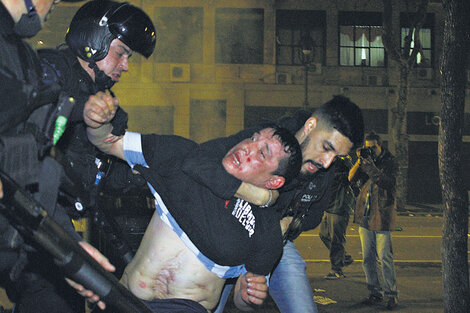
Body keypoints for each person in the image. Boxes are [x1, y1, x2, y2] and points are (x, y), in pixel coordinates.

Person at [1, 1, 156, 312]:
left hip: (48, 223)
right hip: (24, 218)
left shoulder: (110, 105)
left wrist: (149, 176)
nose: (125, 65)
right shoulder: (46, 68)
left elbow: (102, 173)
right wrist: (82, 109)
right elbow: (36, 111)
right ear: (94, 41)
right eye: (121, 52)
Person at [83, 93, 302, 312]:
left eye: (262, 153)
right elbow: (109, 142)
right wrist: (96, 122)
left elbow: (242, 301)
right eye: (252, 139)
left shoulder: (267, 229)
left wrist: (249, 294)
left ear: (274, 181)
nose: (246, 147)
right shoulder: (184, 156)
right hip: (126, 301)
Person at [180, 95, 365, 313]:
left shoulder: (323, 170)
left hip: (275, 245)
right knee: (206, 307)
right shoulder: (266, 138)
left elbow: (314, 216)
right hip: (228, 232)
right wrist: (259, 196)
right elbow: (196, 161)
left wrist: (290, 224)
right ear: (310, 125)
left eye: (337, 156)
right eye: (326, 147)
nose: (327, 162)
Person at [348, 131, 399, 310]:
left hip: (383, 215)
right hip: (366, 215)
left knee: (385, 256)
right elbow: (351, 178)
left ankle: (391, 294)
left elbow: (386, 181)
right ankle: (374, 292)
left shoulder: (389, 162)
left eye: (372, 147)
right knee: (368, 258)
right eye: (367, 148)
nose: (370, 150)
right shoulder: (366, 161)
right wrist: (359, 160)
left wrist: (369, 165)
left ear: (379, 145)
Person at [319, 155, 355, 279]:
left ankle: (337, 269)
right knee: (324, 235)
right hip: (329, 206)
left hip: (339, 207)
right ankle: (343, 257)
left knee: (336, 240)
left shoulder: (343, 162)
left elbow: (350, 176)